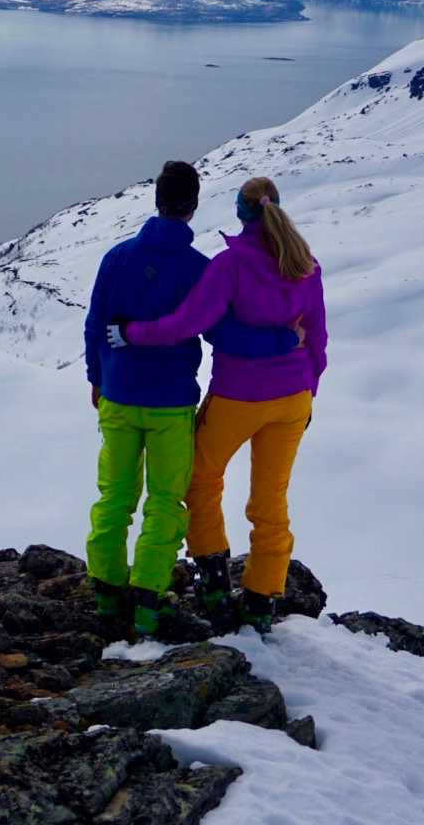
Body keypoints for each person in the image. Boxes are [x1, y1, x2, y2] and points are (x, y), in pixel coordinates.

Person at [83, 162, 300, 640]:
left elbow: (96, 324)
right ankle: (146, 602)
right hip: (171, 405)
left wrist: (97, 378)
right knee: (165, 499)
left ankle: (106, 593)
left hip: (118, 396)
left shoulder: (116, 258)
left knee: (114, 495)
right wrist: (286, 343)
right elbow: (220, 333)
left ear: (156, 200)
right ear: (193, 206)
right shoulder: (200, 270)